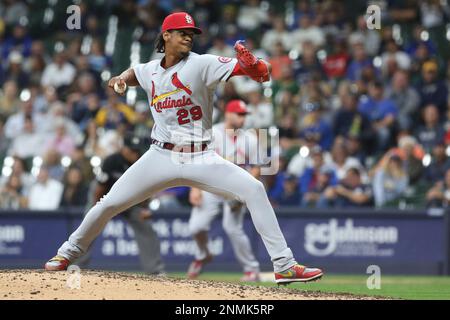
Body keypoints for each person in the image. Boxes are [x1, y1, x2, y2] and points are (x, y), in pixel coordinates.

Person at [44, 12, 322, 284]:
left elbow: (257, 71)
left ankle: (284, 265)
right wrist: (119, 78)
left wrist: (256, 66)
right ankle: (66, 254)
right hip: (160, 155)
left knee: (254, 189)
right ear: (166, 35)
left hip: (201, 156)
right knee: (110, 203)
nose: (189, 37)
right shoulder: (150, 69)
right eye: (183, 33)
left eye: (192, 34)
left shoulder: (202, 64)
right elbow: (134, 73)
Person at [187, 100, 261, 282]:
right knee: (196, 227)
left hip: (235, 189)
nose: (243, 119)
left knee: (232, 228)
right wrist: (195, 188)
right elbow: (197, 161)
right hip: (210, 187)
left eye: (244, 115)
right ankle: (203, 255)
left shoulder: (250, 139)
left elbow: (256, 168)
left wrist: (246, 192)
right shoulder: (212, 133)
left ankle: (252, 269)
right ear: (228, 114)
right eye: (239, 114)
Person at [74, 135, 165, 275]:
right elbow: (99, 189)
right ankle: (76, 266)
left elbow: (147, 188)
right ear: (123, 149)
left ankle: (155, 271)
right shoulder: (112, 161)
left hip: (130, 202)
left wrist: (144, 208)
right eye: (131, 150)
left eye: (136, 150)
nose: (135, 153)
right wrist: (96, 210)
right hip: (105, 198)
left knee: (146, 228)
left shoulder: (141, 161)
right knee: (89, 224)